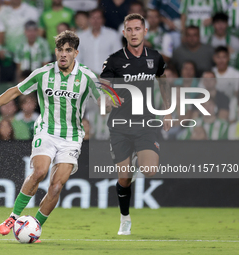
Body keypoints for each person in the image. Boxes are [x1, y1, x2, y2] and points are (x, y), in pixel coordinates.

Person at [0, 31, 111, 236]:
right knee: (40, 172)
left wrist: (107, 105)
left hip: (72, 137)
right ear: (55, 51)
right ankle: (13, 217)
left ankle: (33, 228)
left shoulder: (87, 76)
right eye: (60, 50)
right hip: (46, 130)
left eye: (68, 50)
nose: (63, 54)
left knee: (56, 187)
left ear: (76, 53)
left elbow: (103, 103)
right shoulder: (43, 73)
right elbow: (14, 91)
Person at [100, 14, 169, 235]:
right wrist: (106, 102)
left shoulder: (155, 58)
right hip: (120, 125)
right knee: (124, 178)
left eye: (137, 29)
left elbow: (163, 81)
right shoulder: (113, 60)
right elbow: (103, 87)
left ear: (145, 31)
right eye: (129, 29)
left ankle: (141, 157)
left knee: (149, 170)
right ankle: (125, 218)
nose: (133, 33)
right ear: (124, 33)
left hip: (146, 123)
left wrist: (167, 111)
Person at [77, 8, 122, 74]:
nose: (95, 21)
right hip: (87, 77)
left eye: (98, 18)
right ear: (88, 19)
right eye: (93, 18)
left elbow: (118, 58)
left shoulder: (113, 35)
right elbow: (77, 59)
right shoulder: (80, 37)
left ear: (103, 20)